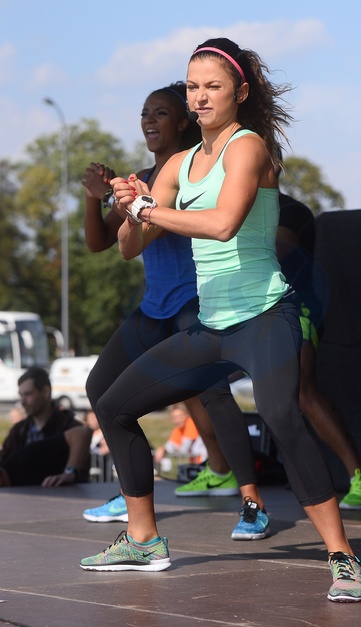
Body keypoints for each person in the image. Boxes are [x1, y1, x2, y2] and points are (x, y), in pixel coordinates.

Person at [80, 38, 361, 603]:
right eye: (193, 86)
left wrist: (149, 208)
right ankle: (143, 539)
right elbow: (129, 248)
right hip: (211, 326)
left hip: (265, 317)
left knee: (282, 415)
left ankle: (342, 556)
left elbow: (223, 224)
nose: (200, 96)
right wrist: (128, 205)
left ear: (239, 92)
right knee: (113, 405)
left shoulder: (249, 147)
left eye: (213, 86)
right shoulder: (179, 165)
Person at [81, 81, 264, 528]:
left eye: (160, 113)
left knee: (213, 394)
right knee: (99, 389)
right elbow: (101, 242)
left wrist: (126, 202)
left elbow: (152, 225)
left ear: (183, 121)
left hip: (193, 303)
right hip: (154, 308)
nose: (149, 120)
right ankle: (132, 492)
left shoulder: (191, 171)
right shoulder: (142, 178)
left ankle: (252, 502)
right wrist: (95, 198)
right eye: (145, 113)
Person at [276, 186, 361, 510]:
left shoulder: (292, 211)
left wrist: (224, 227)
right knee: (203, 382)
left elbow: (276, 251)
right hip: (248, 312)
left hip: (297, 307)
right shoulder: (231, 205)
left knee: (302, 392)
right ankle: (224, 472)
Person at [0, 367, 92, 487]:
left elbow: (83, 436)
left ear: (45, 392)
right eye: (21, 395)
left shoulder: (68, 425)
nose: (22, 401)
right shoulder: (18, 431)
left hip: (64, 495)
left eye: (28, 394)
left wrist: (69, 473)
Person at [154, 402, 207, 466]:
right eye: (175, 417)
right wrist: (163, 449)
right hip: (195, 463)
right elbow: (171, 445)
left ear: (187, 415)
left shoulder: (191, 423)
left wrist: (176, 449)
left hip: (204, 462)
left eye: (180, 416)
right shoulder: (178, 429)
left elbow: (184, 449)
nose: (178, 420)